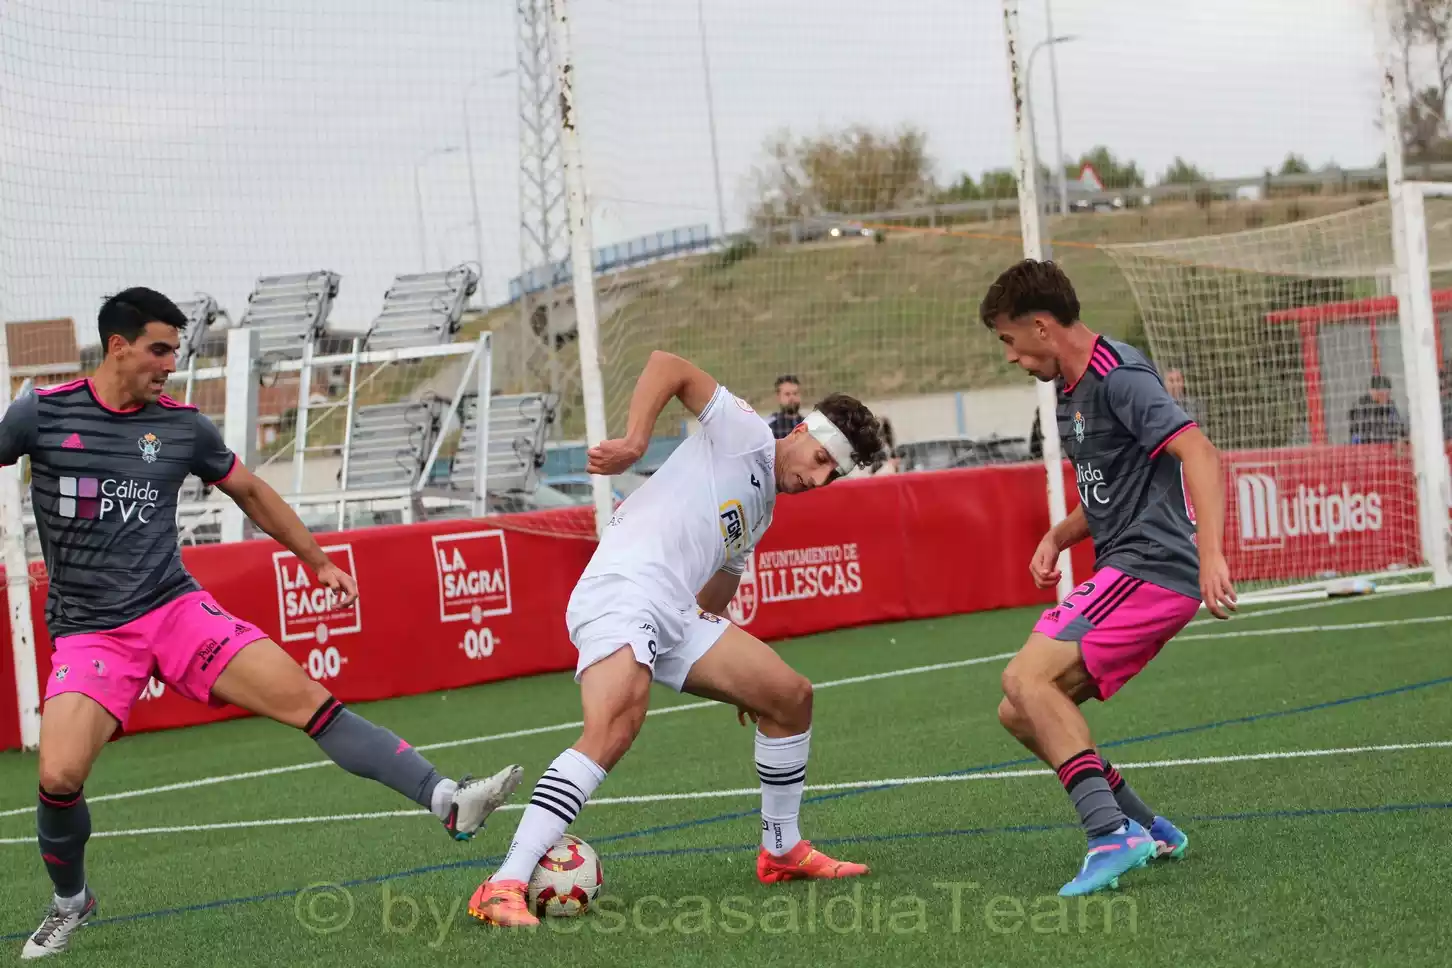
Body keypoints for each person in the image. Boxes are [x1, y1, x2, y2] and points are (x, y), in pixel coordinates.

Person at [3, 288, 523, 960]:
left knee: (309, 701)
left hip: (175, 610)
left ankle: (447, 799)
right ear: (119, 347)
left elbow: (248, 490)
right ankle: (71, 902)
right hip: (90, 631)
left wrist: (317, 562)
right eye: (160, 349)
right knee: (60, 777)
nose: (170, 364)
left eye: (176, 351)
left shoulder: (184, 427)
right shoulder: (41, 413)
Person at [467, 350, 883, 928]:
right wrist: (636, 443)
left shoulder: (763, 507)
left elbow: (720, 586)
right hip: (622, 589)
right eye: (818, 460)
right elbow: (668, 366)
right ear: (804, 430)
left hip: (674, 611)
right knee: (615, 726)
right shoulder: (744, 433)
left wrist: (726, 674)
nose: (816, 479)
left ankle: (782, 850)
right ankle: (504, 882)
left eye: (830, 475)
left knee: (789, 697)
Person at [978, 260, 1237, 898]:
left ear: (1041, 326)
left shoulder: (1117, 377)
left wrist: (1212, 555)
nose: (1009, 357)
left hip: (1151, 567)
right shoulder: (1072, 389)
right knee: (1021, 712)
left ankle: (1107, 835)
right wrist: (1058, 536)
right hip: (1132, 566)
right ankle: (1147, 829)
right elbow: (1109, 494)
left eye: (1009, 341)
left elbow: (1199, 453)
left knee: (1024, 677)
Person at [1347, 374, 1408, 444]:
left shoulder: (1390, 406)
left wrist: (1402, 437)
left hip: (1387, 447)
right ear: (1372, 391)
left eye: (1387, 394)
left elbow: (1399, 426)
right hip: (1367, 448)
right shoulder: (1361, 406)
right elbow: (1361, 432)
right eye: (1382, 393)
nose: (1385, 397)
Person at [767, 374, 804, 439]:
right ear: (778, 397)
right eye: (787, 394)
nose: (792, 397)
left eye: (795, 393)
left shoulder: (809, 426)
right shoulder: (770, 428)